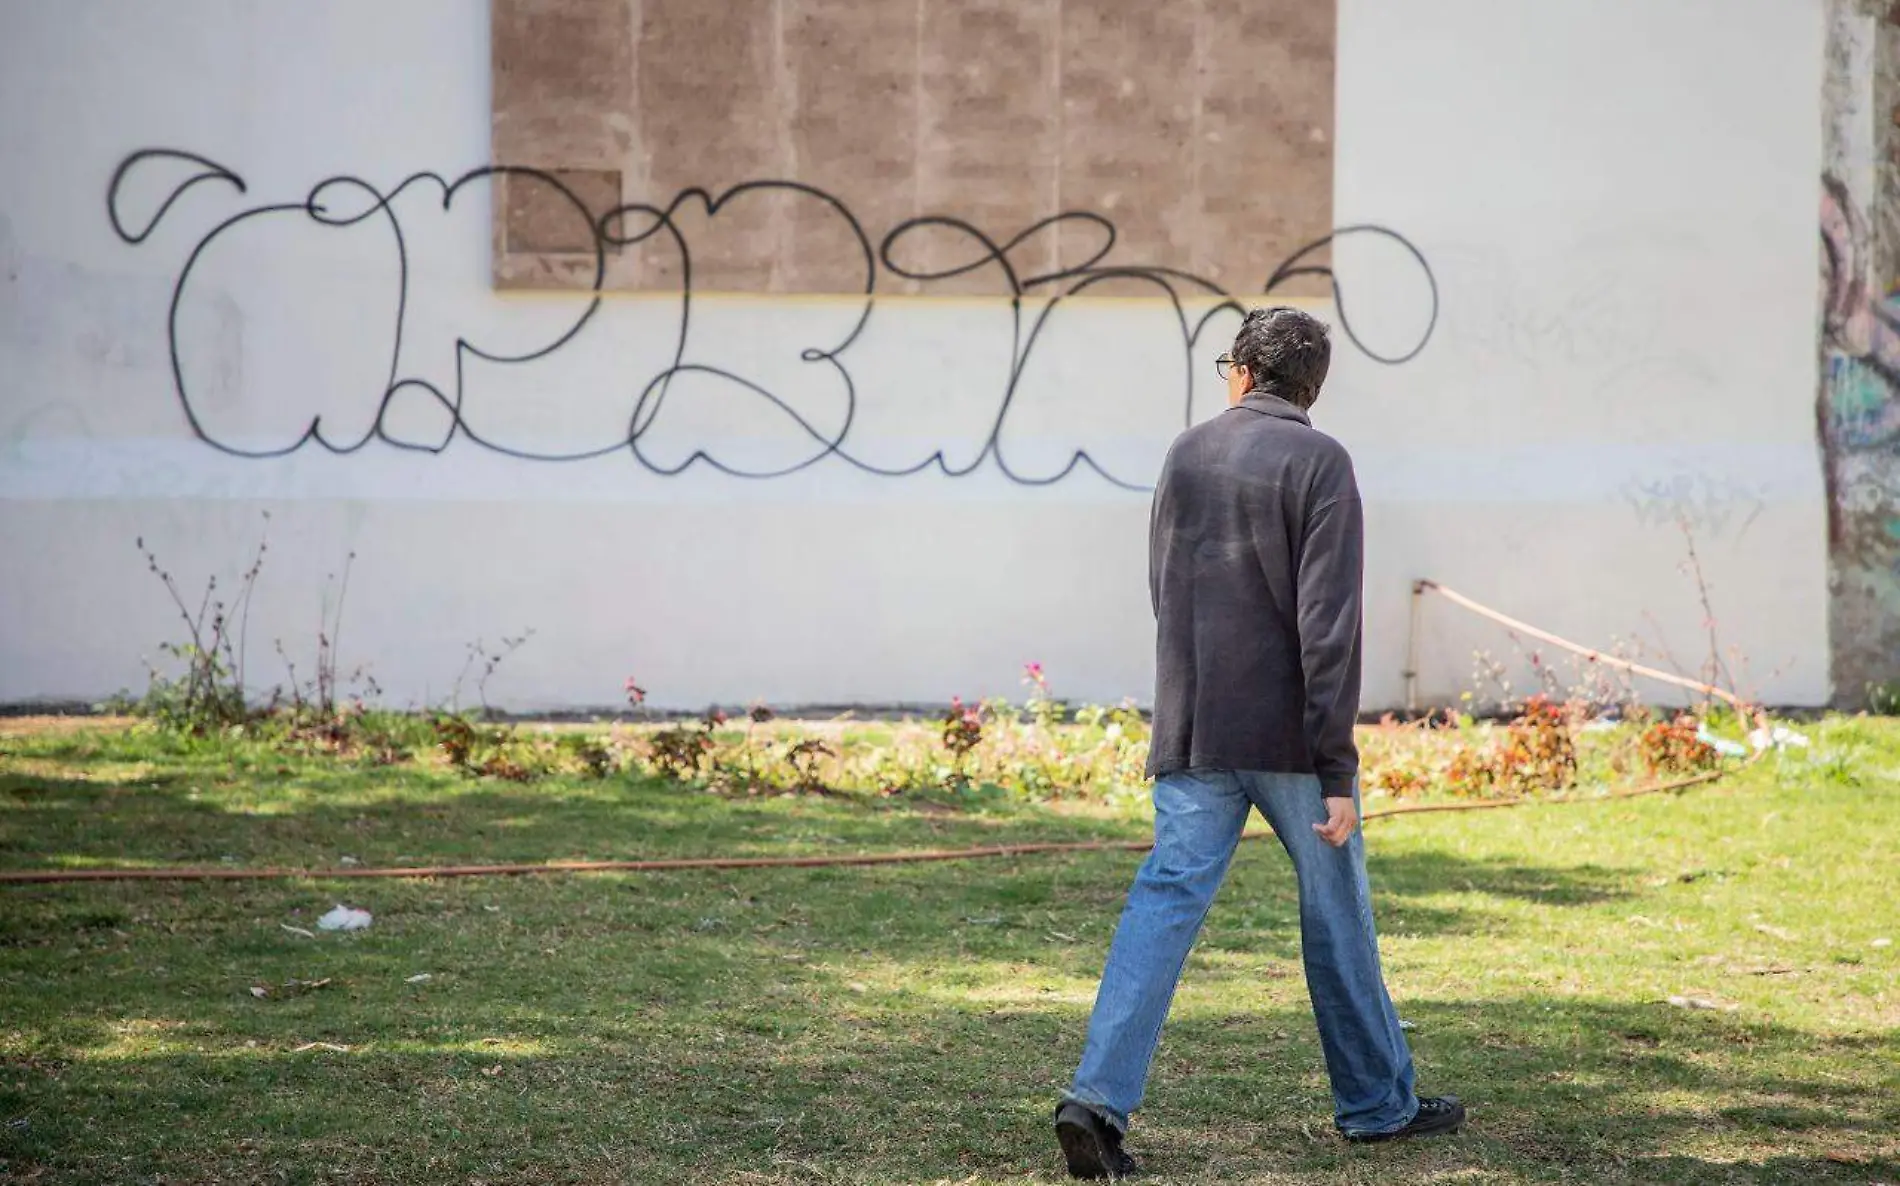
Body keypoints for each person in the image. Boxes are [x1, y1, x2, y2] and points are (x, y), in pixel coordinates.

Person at [1053, 307, 1464, 1179]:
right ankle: (1377, 1106)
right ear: (1311, 387)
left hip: (1193, 724)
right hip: (1287, 739)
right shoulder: (1323, 463)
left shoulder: (1185, 452)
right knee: (1337, 914)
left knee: (1164, 904)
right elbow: (1329, 629)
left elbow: (1167, 591)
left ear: (1242, 370)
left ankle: (1095, 1100)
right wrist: (1338, 767)